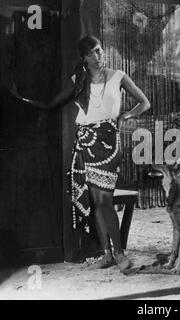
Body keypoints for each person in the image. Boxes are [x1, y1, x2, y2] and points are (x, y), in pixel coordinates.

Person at [11, 36, 150, 270]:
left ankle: (120, 254)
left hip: (107, 143)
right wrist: (22, 100)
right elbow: (52, 103)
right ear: (84, 58)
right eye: (91, 53)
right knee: (96, 202)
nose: (98, 57)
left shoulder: (119, 76)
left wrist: (126, 115)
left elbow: (145, 102)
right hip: (85, 142)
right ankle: (107, 254)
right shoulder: (79, 80)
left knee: (105, 201)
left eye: (99, 51)